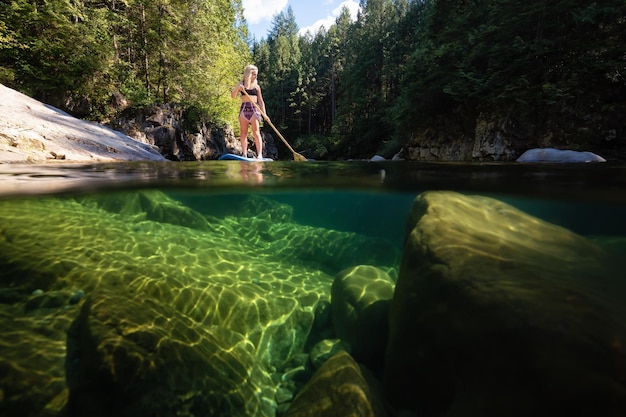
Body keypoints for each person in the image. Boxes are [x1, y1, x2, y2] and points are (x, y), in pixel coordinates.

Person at [231, 64, 268, 158]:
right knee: (243, 133)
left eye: (256, 74)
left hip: (254, 109)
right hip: (244, 109)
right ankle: (244, 153)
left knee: (256, 132)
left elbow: (260, 101)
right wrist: (238, 88)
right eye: (253, 74)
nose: (255, 76)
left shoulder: (257, 87)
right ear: (248, 74)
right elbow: (233, 96)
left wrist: (265, 114)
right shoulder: (241, 84)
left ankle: (259, 155)